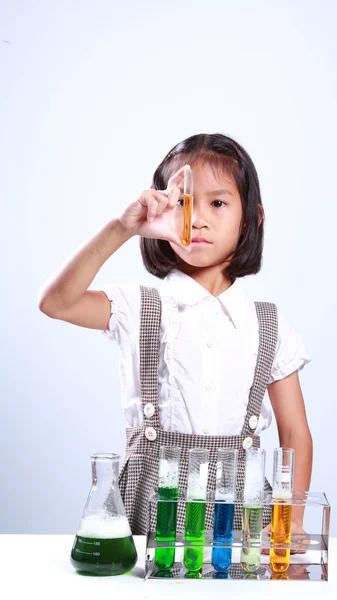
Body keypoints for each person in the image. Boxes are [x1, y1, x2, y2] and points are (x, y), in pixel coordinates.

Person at [38, 133, 313, 541]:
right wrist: (122, 228)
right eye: (183, 203)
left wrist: (293, 526)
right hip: (150, 514)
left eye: (218, 203)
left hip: (237, 523)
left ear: (251, 218)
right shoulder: (140, 308)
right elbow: (57, 302)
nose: (198, 219)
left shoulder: (268, 325)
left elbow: (295, 434)